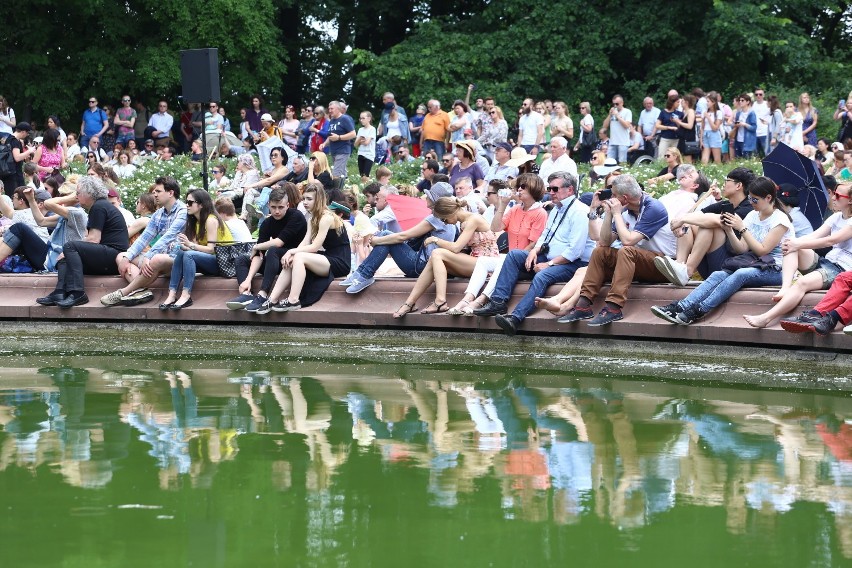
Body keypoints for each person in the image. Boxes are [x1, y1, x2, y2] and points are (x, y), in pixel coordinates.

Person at [652, 177, 794, 325]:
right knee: (718, 274)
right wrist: (730, 231)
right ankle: (681, 306)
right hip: (753, 263)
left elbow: (762, 251)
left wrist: (742, 228)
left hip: (776, 269)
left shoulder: (780, 220)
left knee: (740, 274)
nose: (751, 202)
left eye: (755, 199)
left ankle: (699, 310)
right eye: (750, 198)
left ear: (769, 198)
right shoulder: (753, 216)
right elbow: (742, 249)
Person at [470, 171, 593, 334]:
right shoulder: (557, 209)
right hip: (549, 256)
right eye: (550, 188)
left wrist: (548, 264)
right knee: (514, 256)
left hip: (573, 263)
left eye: (555, 189)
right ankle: (498, 302)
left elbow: (574, 252)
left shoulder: (579, 211)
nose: (551, 192)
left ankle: (515, 318)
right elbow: (544, 236)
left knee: (542, 275)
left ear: (569, 190)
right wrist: (535, 250)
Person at [559, 174, 671, 326]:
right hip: (639, 264)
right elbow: (604, 242)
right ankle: (583, 305)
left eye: (613, 195)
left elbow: (628, 241)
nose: (610, 197)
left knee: (626, 250)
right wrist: (608, 214)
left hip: (663, 266)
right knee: (600, 252)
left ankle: (613, 308)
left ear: (624, 198)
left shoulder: (653, 207)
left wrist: (617, 213)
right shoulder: (625, 210)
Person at [745, 182, 852, 329]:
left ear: (850, 200)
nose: (833, 197)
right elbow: (814, 235)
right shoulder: (836, 217)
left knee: (802, 283)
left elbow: (830, 241)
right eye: (833, 193)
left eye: (838, 195)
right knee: (791, 247)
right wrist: (793, 243)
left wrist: (798, 244)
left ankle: (766, 318)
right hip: (828, 261)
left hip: (841, 269)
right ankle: (785, 286)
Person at [448, 173, 548, 315]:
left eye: (523, 186)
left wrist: (514, 260)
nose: (519, 189)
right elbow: (495, 228)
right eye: (518, 186)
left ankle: (481, 300)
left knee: (505, 261)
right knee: (483, 261)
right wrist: (503, 204)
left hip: (526, 262)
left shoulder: (540, 213)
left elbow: (533, 245)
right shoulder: (514, 209)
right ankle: (466, 298)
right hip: (511, 260)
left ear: (534, 189)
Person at [391, 196, 497, 317]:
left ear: (450, 213)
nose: (444, 222)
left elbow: (456, 247)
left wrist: (435, 239)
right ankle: (409, 303)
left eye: (443, 219)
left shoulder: (474, 219)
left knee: (437, 253)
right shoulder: (463, 222)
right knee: (434, 259)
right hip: (474, 263)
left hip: (486, 264)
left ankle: (440, 301)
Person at [343, 182, 457, 293]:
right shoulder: (447, 217)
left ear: (434, 201)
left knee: (386, 235)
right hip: (429, 266)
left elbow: (403, 236)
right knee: (387, 234)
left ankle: (363, 274)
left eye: (429, 195)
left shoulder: (435, 219)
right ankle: (361, 274)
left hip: (422, 268)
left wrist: (377, 240)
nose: (426, 197)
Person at [35, 176, 129, 308]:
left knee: (69, 246)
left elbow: (93, 239)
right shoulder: (100, 205)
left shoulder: (99, 206)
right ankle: (60, 292)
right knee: (65, 257)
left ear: (89, 194)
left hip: (113, 256)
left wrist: (68, 250)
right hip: (108, 257)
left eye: (78, 193)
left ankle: (78, 293)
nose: (76, 196)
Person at [655, 167, 756, 287]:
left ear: (738, 186)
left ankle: (687, 271)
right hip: (709, 263)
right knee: (694, 222)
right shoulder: (725, 204)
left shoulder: (749, 208)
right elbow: (696, 215)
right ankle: (679, 265)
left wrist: (683, 219)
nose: (723, 185)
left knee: (709, 225)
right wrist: (684, 221)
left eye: (727, 181)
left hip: (728, 266)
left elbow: (720, 221)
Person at [257, 184, 351, 312]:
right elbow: (305, 242)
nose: (305, 202)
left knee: (298, 256)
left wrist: (292, 251)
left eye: (309, 199)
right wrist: (292, 254)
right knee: (293, 258)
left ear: (319, 199)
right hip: (327, 258)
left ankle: (293, 300)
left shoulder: (326, 217)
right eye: (304, 199)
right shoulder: (313, 218)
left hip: (340, 261)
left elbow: (315, 246)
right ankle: (272, 300)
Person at [99, 176, 187, 306]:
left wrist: (149, 256)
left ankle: (124, 292)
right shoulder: (159, 214)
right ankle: (141, 291)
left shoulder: (183, 211)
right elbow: (144, 239)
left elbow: (168, 237)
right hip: (155, 260)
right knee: (121, 256)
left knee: (157, 259)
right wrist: (127, 257)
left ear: (170, 193)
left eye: (158, 191)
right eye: (154, 191)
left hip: (177, 260)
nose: (154, 194)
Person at [228, 184, 307, 311]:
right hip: (274, 263)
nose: (276, 211)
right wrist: (248, 279)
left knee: (273, 250)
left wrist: (257, 246)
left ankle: (263, 294)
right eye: (273, 207)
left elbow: (279, 242)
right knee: (242, 259)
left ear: (288, 205)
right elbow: (259, 254)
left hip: (293, 262)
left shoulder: (296, 216)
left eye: (281, 207)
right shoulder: (267, 223)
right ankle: (246, 294)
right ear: (268, 205)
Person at [158, 190, 234, 310]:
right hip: (209, 260)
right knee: (182, 252)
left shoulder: (211, 220)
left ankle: (186, 295)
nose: (187, 205)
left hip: (223, 263)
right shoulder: (196, 222)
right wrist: (183, 245)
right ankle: (172, 294)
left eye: (190, 202)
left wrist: (190, 245)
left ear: (201, 204)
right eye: (186, 202)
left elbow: (210, 249)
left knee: (188, 255)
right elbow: (196, 247)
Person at [0, 187, 61, 271]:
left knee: (18, 228)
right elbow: (7, 212)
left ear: (21, 201)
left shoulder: (26, 214)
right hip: (40, 254)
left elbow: (7, 212)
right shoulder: (28, 213)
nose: (11, 200)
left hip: (44, 257)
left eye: (13, 198)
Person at [321, 101, 355, 177]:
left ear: (338, 109)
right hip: (334, 151)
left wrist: (339, 137)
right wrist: (324, 144)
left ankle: (335, 189)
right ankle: (344, 187)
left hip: (343, 150)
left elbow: (353, 134)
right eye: (329, 109)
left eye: (332, 109)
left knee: (336, 174)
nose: (329, 111)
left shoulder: (345, 118)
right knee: (342, 174)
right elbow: (330, 136)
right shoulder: (332, 121)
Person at [1, 123, 35, 196]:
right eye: (27, 133)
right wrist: (30, 151)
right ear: (23, 132)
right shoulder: (15, 141)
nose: (27, 135)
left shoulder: (8, 138)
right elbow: (17, 157)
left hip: (7, 171)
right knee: (17, 195)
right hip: (14, 173)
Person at [602, 95, 632, 164]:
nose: (615, 106)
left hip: (623, 142)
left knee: (622, 163)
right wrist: (609, 115)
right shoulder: (613, 113)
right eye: (614, 104)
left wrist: (618, 116)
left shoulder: (627, 112)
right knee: (609, 162)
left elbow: (627, 125)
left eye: (617, 104)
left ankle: (622, 175)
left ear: (622, 103)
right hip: (613, 142)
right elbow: (604, 126)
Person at [700, 93, 724, 164]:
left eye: (708, 101)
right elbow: (702, 127)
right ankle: (702, 173)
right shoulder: (704, 112)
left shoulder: (718, 113)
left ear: (713, 102)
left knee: (717, 160)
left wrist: (708, 117)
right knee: (704, 160)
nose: (706, 103)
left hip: (714, 135)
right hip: (705, 134)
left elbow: (715, 128)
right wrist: (701, 140)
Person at [673, 94, 697, 163]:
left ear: (687, 102)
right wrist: (677, 122)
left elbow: (690, 126)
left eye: (682, 101)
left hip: (688, 139)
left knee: (687, 159)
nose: (681, 102)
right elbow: (684, 125)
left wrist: (678, 122)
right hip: (683, 137)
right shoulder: (685, 112)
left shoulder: (691, 111)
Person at [355, 111, 376, 181]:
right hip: (361, 153)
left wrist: (360, 140)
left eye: (363, 118)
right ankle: (366, 188)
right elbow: (355, 144)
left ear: (369, 119)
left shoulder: (372, 129)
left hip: (369, 155)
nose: (361, 120)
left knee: (365, 175)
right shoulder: (360, 130)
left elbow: (367, 142)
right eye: (360, 118)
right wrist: (361, 139)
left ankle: (368, 189)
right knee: (362, 176)